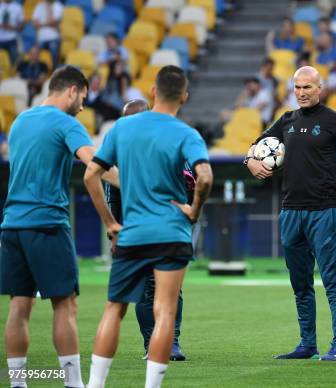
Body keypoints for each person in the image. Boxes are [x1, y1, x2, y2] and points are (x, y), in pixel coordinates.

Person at [84, 65, 213, 387]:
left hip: (133, 233)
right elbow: (206, 176)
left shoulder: (121, 128)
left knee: (114, 309)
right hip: (172, 231)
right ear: (184, 96)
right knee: (165, 311)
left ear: (153, 91)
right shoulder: (186, 133)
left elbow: (90, 175)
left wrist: (111, 223)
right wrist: (194, 210)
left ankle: (95, 384)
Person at [0, 65, 118, 388]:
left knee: (19, 305)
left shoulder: (20, 121)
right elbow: (95, 165)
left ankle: (18, 383)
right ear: (71, 90)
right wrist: (132, 184)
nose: (83, 105)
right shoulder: (68, 124)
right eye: (83, 97)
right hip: (48, 224)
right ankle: (73, 384)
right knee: (65, 305)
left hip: (11, 226)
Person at [245, 66, 336, 361]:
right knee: (300, 282)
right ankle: (307, 344)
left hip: (326, 210)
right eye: (297, 88)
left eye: (307, 87)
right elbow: (255, 146)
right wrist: (250, 162)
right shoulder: (286, 120)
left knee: (333, 280)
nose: (302, 93)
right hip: (291, 211)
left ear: (321, 88)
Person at [104, 99, 189, 362]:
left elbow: (187, 185)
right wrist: (115, 229)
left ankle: (171, 342)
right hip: (135, 232)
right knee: (144, 290)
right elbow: (113, 197)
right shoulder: (119, 154)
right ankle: (152, 343)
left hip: (167, 228)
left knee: (170, 289)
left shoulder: (168, 146)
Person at [32, 0, 62, 67]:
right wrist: (48, 24)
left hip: (54, 37)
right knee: (34, 51)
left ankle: (55, 72)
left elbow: (53, 21)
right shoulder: (39, 6)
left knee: (54, 51)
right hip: (41, 38)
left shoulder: (58, 5)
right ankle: (37, 73)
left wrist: (48, 7)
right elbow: (34, 24)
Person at [0, 0, 23, 65]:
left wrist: (11, 27)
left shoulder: (18, 7)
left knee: (15, 63)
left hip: (12, 39)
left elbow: (21, 28)